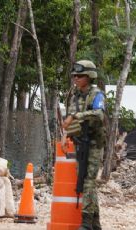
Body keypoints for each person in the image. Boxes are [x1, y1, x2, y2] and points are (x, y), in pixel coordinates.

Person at [62, 60, 105, 230]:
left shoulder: (96, 94)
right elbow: (68, 121)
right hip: (80, 142)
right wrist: (65, 136)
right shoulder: (75, 95)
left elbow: (99, 114)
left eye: (80, 75)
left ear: (89, 76)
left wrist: (78, 116)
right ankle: (95, 223)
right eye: (74, 76)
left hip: (94, 143)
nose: (76, 78)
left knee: (88, 182)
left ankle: (86, 223)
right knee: (84, 181)